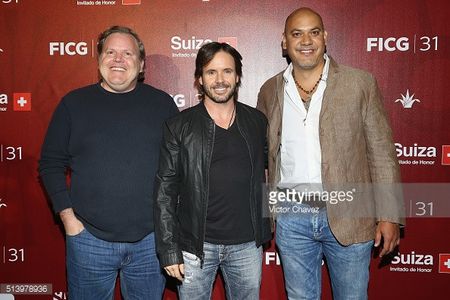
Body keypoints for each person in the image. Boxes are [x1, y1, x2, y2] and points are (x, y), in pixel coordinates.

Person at [257, 7, 405, 300]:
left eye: (313, 32)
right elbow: (265, 158)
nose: (306, 41)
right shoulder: (270, 90)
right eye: (296, 34)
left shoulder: (359, 83)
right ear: (284, 42)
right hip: (292, 215)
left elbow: (382, 152)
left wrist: (389, 214)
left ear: (325, 37)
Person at [39, 26, 178, 300]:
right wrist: (69, 220)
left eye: (127, 53)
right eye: (110, 52)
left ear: (141, 65)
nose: (118, 59)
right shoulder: (73, 104)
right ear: (99, 59)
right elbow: (50, 164)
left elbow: (178, 168)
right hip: (88, 239)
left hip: (150, 242)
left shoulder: (162, 105)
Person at [154, 42, 272, 300]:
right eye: (211, 72)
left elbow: (272, 173)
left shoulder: (257, 122)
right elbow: (164, 191)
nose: (220, 80)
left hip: (247, 245)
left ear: (238, 76)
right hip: (195, 247)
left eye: (227, 71)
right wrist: (169, 249)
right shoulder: (179, 126)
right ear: (199, 79)